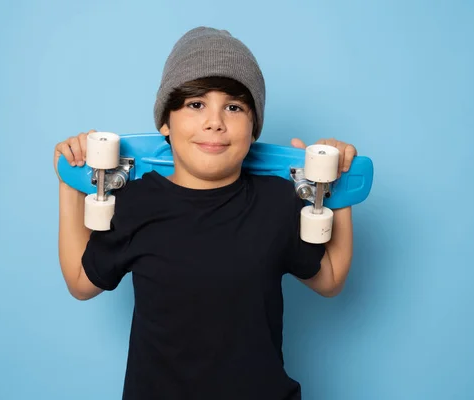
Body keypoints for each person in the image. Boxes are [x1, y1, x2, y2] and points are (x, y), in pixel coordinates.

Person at [54, 27, 357, 400]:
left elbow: (329, 279)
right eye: (195, 104)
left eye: (234, 107)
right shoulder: (134, 203)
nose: (215, 121)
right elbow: (81, 283)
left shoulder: (278, 203)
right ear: (165, 121)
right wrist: (70, 182)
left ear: (253, 128)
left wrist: (338, 185)